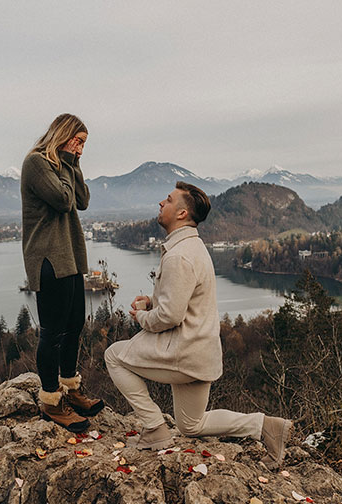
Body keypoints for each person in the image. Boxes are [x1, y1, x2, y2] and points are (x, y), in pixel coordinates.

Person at [104, 181, 293, 468]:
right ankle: (265, 426)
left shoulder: (180, 255)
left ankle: (154, 427)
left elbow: (170, 317)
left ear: (181, 214)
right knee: (191, 424)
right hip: (200, 352)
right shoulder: (193, 247)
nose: (160, 203)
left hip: (183, 351)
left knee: (114, 356)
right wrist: (153, 302)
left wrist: (142, 317)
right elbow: (182, 302)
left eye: (167, 200)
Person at [21, 113, 104, 432]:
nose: (81, 149)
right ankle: (51, 401)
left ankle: (71, 388)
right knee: (52, 332)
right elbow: (63, 199)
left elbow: (82, 200)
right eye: (78, 141)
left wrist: (73, 162)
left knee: (74, 325)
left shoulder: (64, 165)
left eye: (84, 144)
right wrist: (68, 160)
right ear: (64, 135)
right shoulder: (36, 163)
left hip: (68, 256)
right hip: (48, 259)